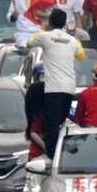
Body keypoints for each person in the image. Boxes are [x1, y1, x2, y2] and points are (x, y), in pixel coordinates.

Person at [27, 8, 85, 157]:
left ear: (50, 22)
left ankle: (53, 155)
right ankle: (63, 152)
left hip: (53, 88)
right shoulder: (73, 40)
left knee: (51, 126)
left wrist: (44, 29)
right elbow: (81, 56)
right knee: (61, 122)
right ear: (65, 23)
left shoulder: (45, 36)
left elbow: (29, 42)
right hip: (70, 88)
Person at [24, 67, 46, 159]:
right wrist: (45, 146)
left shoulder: (38, 114)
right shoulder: (38, 116)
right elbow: (33, 133)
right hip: (37, 155)